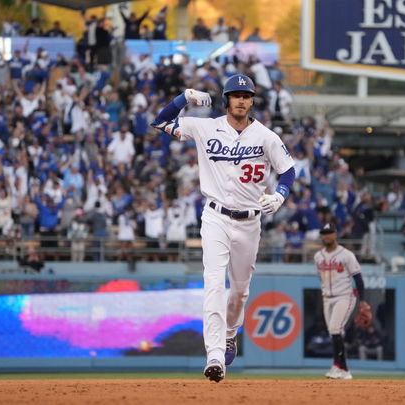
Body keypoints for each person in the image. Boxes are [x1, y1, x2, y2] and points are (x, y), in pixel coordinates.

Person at [150, 74, 295, 382]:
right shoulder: (206, 127)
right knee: (214, 284)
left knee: (240, 292)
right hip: (215, 217)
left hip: (250, 221)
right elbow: (160, 122)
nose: (241, 99)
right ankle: (215, 355)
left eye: (246, 94)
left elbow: (288, 171)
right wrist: (184, 98)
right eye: (235, 94)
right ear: (226, 99)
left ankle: (231, 332)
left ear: (253, 100)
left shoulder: (266, 136)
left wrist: (279, 197)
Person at [314, 222, 369, 379]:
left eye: (330, 233)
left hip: (344, 297)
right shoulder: (318, 257)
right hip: (327, 298)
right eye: (324, 233)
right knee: (335, 333)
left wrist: (363, 301)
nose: (327, 236)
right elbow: (321, 277)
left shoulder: (346, 255)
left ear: (336, 234)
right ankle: (345, 370)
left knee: (334, 329)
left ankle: (336, 366)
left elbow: (358, 278)